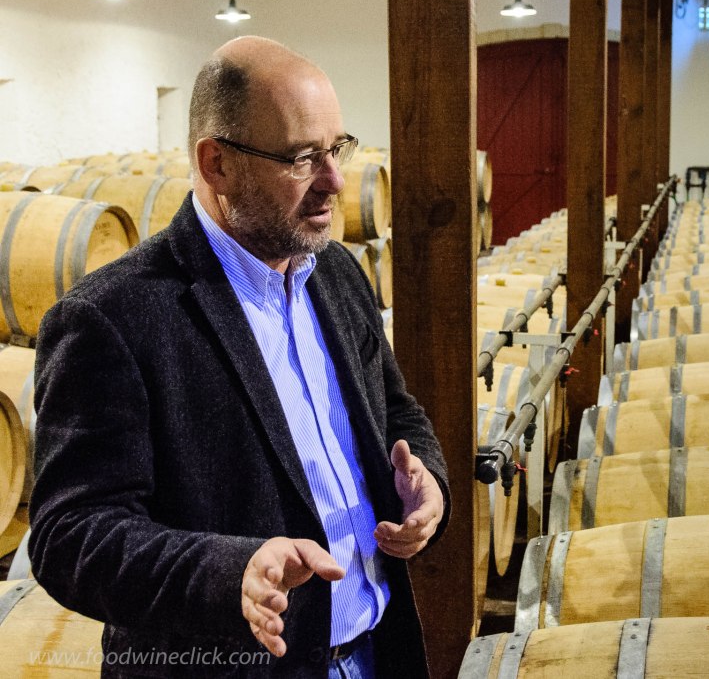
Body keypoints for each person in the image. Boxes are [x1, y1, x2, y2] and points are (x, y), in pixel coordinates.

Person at [28, 36, 449, 678]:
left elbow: (394, 409)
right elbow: (71, 535)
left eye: (336, 149)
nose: (335, 181)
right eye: (302, 158)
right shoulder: (113, 318)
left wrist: (428, 486)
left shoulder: (336, 273)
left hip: (373, 655)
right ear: (217, 163)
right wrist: (228, 573)